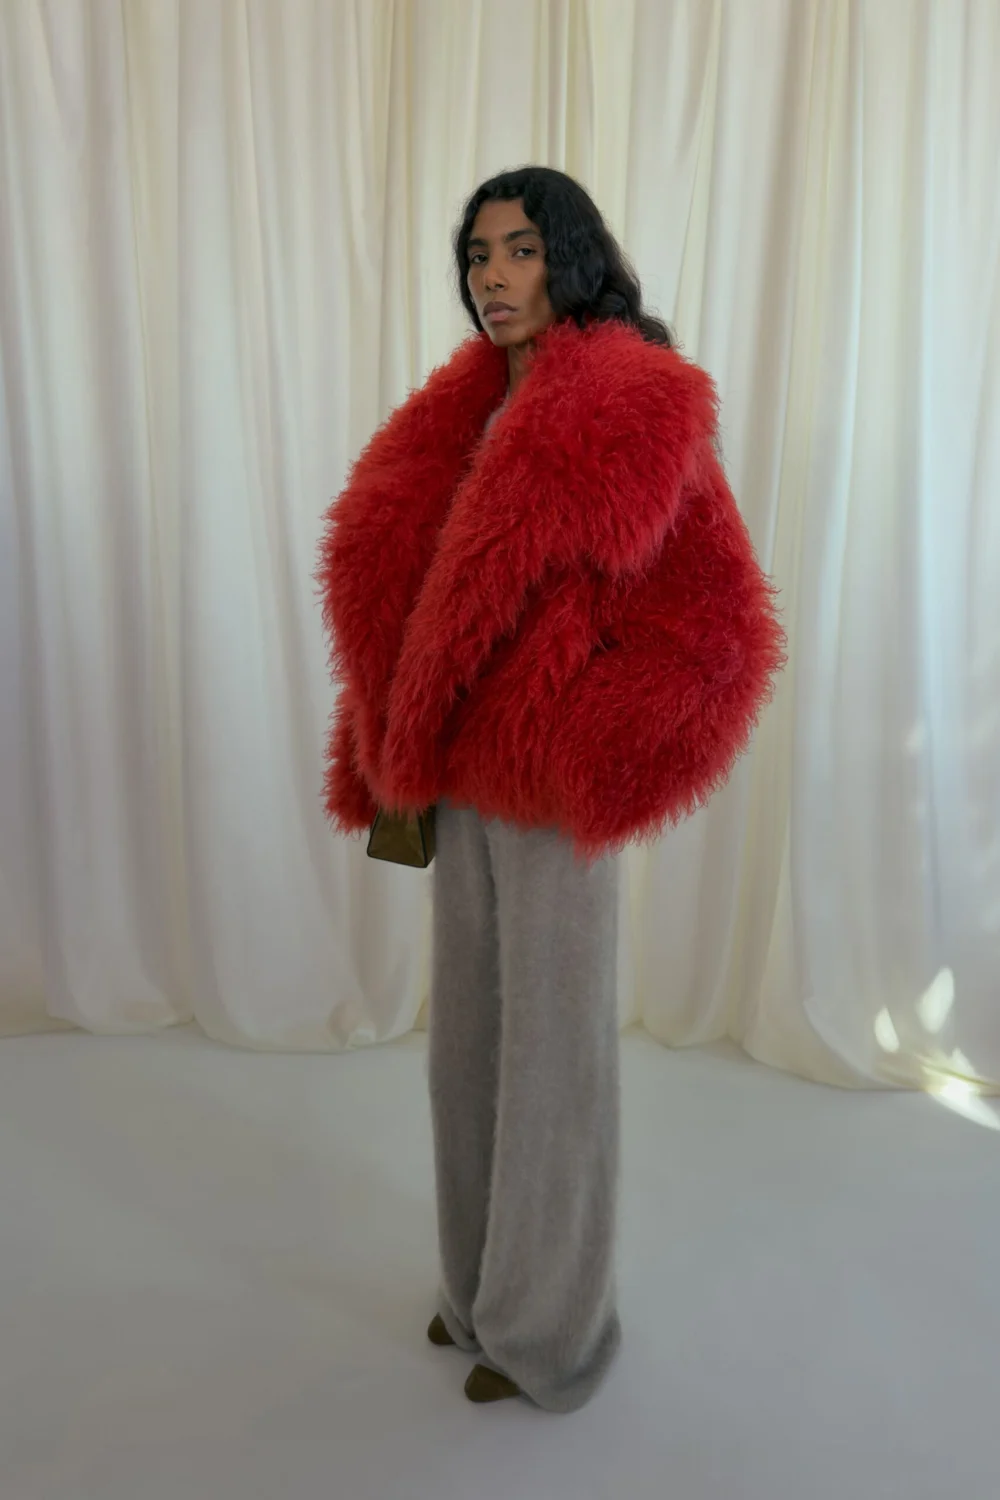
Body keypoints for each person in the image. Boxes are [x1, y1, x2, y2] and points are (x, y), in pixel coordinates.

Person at [317, 166, 784, 1413]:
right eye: (477, 253)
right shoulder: (465, 407)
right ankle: (479, 1290)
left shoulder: (638, 404)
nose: (492, 275)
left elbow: (722, 624)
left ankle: (553, 1335)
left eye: (520, 248)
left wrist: (583, 744)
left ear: (568, 258)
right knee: (468, 1047)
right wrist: (396, 732)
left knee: (555, 1059)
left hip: (549, 785)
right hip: (456, 775)